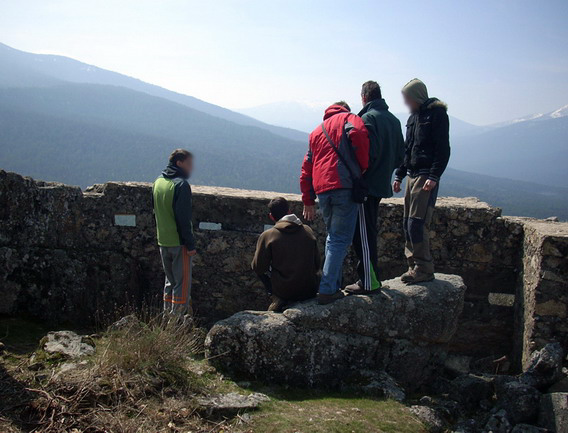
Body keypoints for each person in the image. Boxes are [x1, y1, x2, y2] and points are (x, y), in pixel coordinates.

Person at [300, 101, 370, 304]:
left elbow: (306, 168)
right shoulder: (350, 118)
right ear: (345, 108)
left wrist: (308, 198)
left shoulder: (316, 132)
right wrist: (362, 166)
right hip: (344, 186)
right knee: (339, 239)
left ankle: (333, 284)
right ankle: (328, 289)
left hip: (322, 190)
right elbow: (358, 134)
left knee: (333, 237)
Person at [344, 81, 405, 295]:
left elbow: (367, 155)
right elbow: (400, 156)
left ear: (364, 97)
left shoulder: (367, 119)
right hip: (380, 185)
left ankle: (369, 282)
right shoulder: (394, 121)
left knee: (362, 235)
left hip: (365, 187)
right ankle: (370, 280)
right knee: (367, 231)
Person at [393, 79, 450, 284]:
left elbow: (443, 149)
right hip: (412, 174)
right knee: (408, 223)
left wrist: (434, 176)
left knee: (417, 223)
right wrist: (399, 174)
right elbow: (408, 149)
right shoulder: (414, 118)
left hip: (425, 176)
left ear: (416, 96)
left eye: (407, 97)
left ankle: (424, 268)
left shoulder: (437, 115)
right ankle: (413, 266)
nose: (405, 102)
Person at [251, 197, 320, 312]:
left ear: (271, 217)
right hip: (309, 290)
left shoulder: (268, 236)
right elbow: (317, 264)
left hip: (284, 292)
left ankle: (276, 298)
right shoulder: (307, 230)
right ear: (289, 212)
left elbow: (258, 267)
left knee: (256, 266)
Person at [153, 149, 197, 317]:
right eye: (189, 164)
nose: (191, 168)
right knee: (182, 284)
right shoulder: (180, 185)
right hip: (179, 243)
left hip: (163, 240)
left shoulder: (158, 182)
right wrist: (190, 244)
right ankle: (176, 325)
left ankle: (166, 317)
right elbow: (183, 219)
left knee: (170, 281)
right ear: (179, 163)